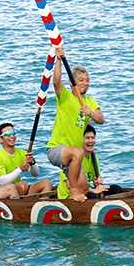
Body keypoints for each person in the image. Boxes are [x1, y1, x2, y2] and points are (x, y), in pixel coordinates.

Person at [46, 45, 105, 202]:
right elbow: (56, 81)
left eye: (87, 80)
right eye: (81, 80)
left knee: (84, 189)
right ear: (73, 83)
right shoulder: (65, 96)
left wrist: (90, 113)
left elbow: (101, 119)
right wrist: (58, 59)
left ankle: (75, 198)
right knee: (78, 152)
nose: (85, 83)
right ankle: (72, 192)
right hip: (56, 149)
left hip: (73, 158)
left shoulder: (89, 101)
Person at [58, 125, 122, 199]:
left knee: (116, 189)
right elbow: (70, 186)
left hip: (85, 191)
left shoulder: (94, 159)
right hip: (70, 196)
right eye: (87, 138)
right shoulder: (73, 158)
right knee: (92, 196)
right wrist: (94, 190)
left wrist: (97, 184)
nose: (91, 141)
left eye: (93, 138)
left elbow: (95, 183)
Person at [0, 122, 53, 197]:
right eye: (7, 134)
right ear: (0, 139)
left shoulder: (22, 153)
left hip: (18, 190)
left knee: (47, 183)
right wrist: (20, 170)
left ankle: (41, 205)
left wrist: (32, 163)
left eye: (13, 133)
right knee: (22, 185)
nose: (11, 136)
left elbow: (35, 174)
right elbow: (2, 182)